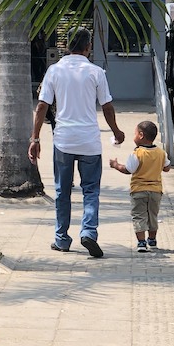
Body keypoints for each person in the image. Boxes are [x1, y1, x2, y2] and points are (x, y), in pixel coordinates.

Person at [28, 27, 125, 257]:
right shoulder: (96, 72)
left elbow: (42, 106)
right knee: (90, 191)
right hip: (89, 141)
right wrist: (117, 131)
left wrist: (35, 138)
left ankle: (62, 239)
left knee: (62, 191)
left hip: (63, 141)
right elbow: (107, 106)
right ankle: (89, 233)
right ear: (88, 47)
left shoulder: (54, 70)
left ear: (66, 46)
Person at [109, 119, 171, 252]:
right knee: (152, 215)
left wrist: (115, 165)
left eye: (135, 134)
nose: (134, 137)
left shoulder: (137, 153)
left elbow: (128, 170)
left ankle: (142, 242)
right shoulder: (161, 153)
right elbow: (167, 168)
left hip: (139, 190)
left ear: (141, 135)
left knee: (139, 215)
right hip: (155, 191)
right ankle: (152, 240)